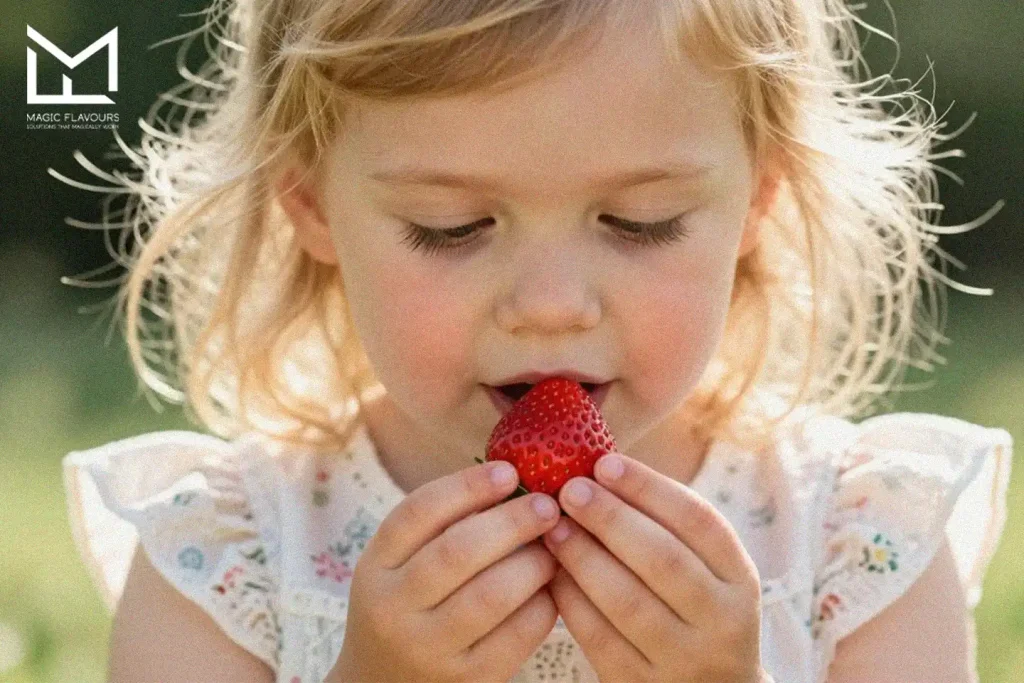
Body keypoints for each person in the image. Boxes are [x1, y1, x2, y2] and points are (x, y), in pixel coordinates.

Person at [58, 0, 1012, 681]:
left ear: (756, 198)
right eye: (452, 226)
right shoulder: (234, 552)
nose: (551, 306)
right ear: (310, 204)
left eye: (642, 221)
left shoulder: (853, 539)